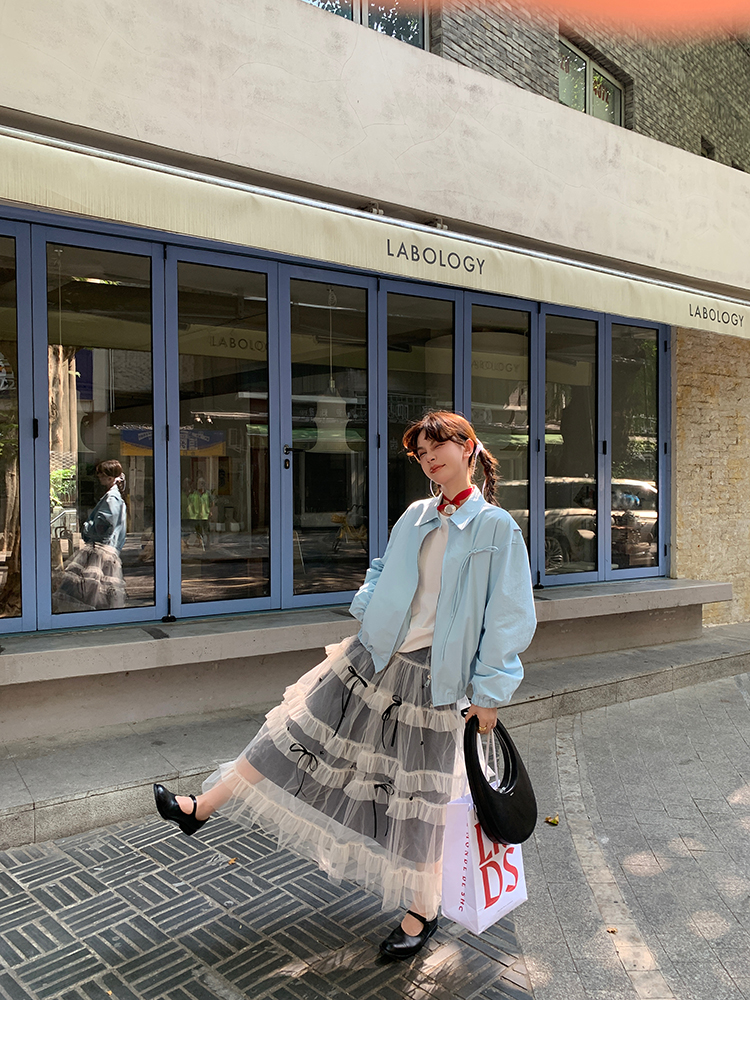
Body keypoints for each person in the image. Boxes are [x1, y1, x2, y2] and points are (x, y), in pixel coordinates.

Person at [154, 411, 537, 958]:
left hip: (436, 680)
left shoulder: (496, 528)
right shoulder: (416, 514)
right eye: (421, 452)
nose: (429, 458)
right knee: (293, 732)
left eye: (438, 446)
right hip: (371, 657)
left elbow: (509, 615)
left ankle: (424, 908)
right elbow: (382, 569)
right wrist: (369, 609)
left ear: (469, 447)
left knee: (421, 797)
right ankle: (200, 807)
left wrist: (490, 694)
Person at [53, 459, 128, 612]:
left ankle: (91, 615)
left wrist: (87, 527)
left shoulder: (111, 498)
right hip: (108, 550)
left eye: (101, 474)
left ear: (110, 478)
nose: (98, 477)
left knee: (90, 589)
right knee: (96, 590)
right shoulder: (114, 497)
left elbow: (104, 525)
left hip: (101, 550)